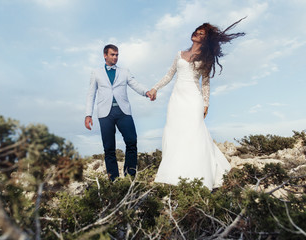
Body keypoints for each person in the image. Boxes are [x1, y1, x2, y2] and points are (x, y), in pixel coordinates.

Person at [148, 18, 245, 190]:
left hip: (193, 99)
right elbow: (169, 75)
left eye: (201, 34)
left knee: (194, 132)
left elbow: (205, 83)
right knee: (174, 131)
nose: (197, 34)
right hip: (177, 98)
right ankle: (174, 174)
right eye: (196, 31)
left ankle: (198, 175)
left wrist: (206, 104)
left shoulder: (205, 59)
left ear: (205, 40)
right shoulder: (179, 54)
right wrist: (155, 88)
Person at [85, 44, 151, 181]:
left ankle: (129, 177)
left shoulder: (125, 71)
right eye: (112, 55)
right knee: (109, 148)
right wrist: (88, 114)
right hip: (105, 114)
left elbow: (135, 84)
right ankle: (113, 180)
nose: (115, 57)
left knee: (132, 141)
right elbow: (91, 94)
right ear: (105, 55)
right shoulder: (96, 72)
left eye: (117, 55)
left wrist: (147, 92)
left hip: (123, 112)